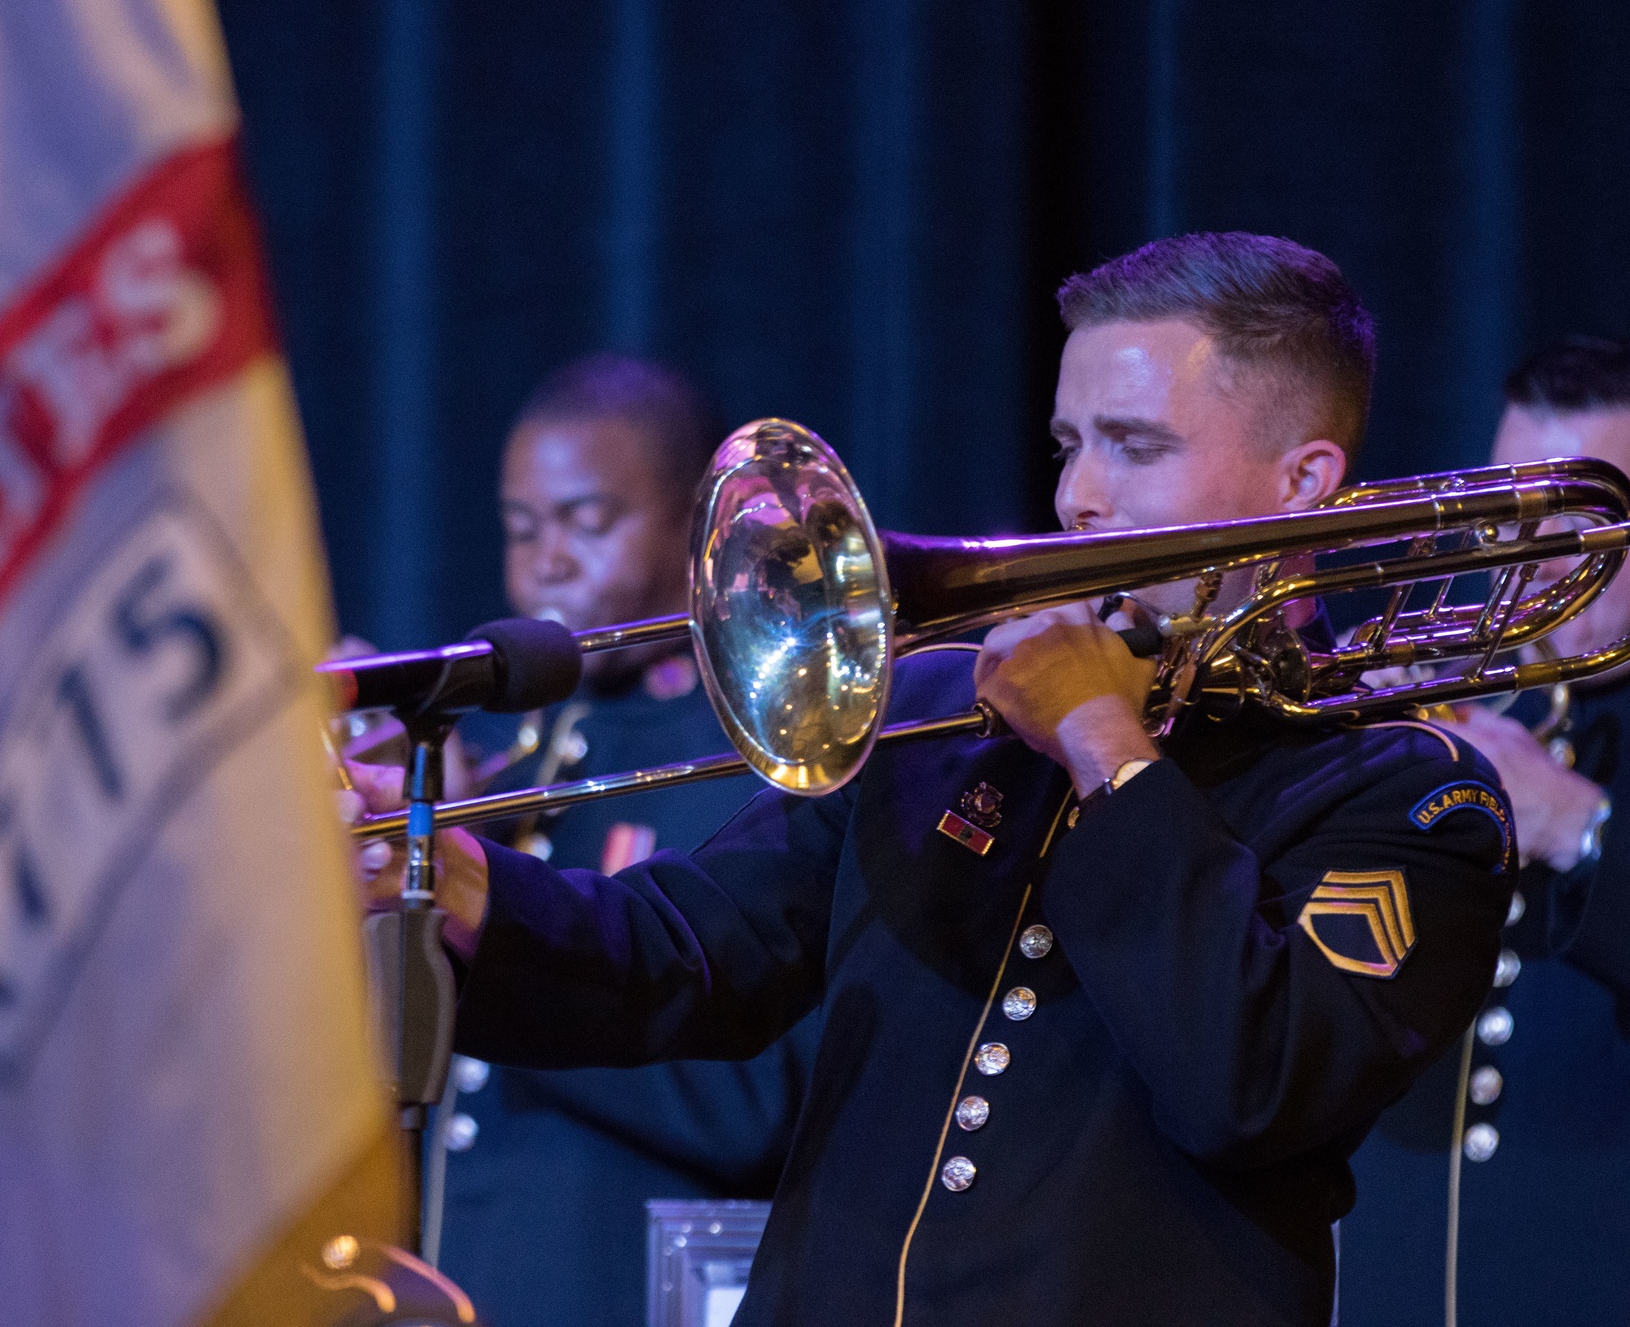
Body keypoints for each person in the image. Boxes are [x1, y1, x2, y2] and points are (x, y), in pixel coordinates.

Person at [350, 234, 1514, 1326]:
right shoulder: (937, 710)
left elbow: (1251, 1083)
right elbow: (688, 955)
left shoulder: (1410, 794)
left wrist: (1107, 746)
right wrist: (453, 882)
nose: (1079, 498)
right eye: (1070, 444)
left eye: (1137, 445)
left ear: (1304, 480)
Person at [429, 355, 819, 1327]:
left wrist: (502, 946)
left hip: (640, 1289)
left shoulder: (755, 761)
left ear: (699, 523)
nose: (547, 559)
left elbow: (755, 1101)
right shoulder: (516, 761)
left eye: (586, 521)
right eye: (523, 528)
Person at [1341, 336, 1630, 1327]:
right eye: (1515, 516)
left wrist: (1580, 825)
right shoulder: (1456, 704)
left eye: (1586, 522)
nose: (1540, 562)